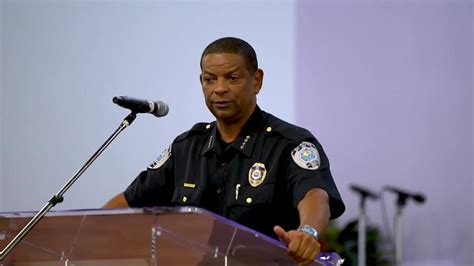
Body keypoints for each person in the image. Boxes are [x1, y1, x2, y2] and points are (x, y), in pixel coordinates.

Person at [104, 37, 345, 265]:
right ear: (201, 82)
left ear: (257, 80)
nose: (219, 89)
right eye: (210, 79)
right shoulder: (186, 148)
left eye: (232, 78)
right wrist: (79, 232)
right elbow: (126, 202)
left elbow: (315, 195)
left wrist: (307, 232)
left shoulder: (289, 143)